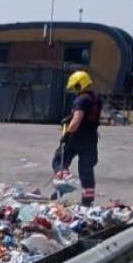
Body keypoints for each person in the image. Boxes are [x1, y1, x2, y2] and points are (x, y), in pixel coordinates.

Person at [52, 70, 102, 206]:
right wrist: (69, 117)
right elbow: (89, 118)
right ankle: (87, 202)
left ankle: (64, 182)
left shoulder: (80, 99)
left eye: (75, 87)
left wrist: (67, 134)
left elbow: (78, 119)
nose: (74, 90)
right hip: (91, 139)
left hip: (77, 137)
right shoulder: (96, 99)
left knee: (59, 159)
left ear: (80, 85)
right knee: (86, 170)